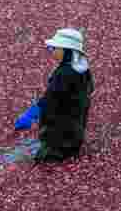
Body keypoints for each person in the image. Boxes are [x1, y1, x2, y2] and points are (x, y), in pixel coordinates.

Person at [13, 27, 95, 163]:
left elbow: (51, 99)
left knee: (43, 158)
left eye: (55, 48)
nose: (52, 52)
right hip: (75, 130)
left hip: (60, 137)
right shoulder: (83, 69)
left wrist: (31, 114)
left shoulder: (65, 74)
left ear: (67, 51)